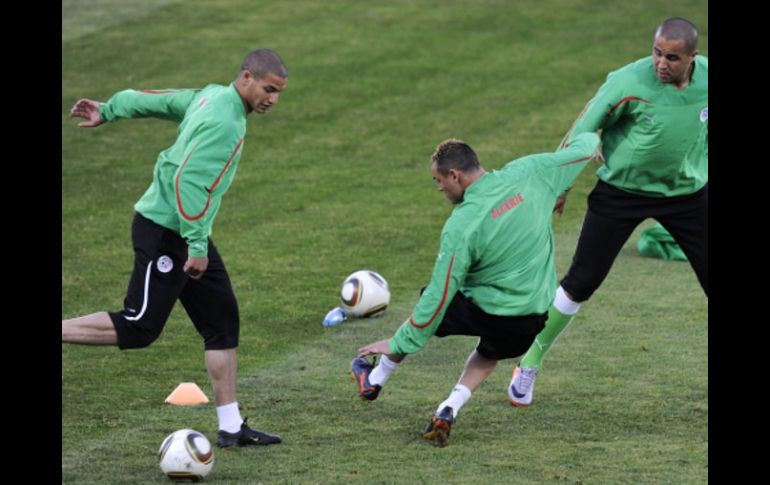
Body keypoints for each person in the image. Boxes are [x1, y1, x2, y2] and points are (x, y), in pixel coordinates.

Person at [62, 49, 288, 448]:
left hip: (183, 230)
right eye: (268, 89)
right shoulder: (226, 123)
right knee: (139, 326)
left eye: (279, 93)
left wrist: (111, 108)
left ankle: (232, 427)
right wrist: (196, 245)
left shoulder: (212, 96)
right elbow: (188, 182)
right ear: (248, 77)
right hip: (167, 231)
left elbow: (160, 98)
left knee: (222, 320)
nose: (273, 99)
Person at [351, 133, 601, 446]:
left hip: (484, 311)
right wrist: (586, 153)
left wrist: (399, 339)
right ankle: (448, 407)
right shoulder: (531, 172)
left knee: (431, 302)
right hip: (533, 317)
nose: (439, 187)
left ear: (454, 175)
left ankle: (375, 378)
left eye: (438, 180)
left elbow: (440, 294)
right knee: (489, 351)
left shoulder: (462, 224)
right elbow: (585, 145)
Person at [509, 17, 708, 407]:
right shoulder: (627, 82)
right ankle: (529, 361)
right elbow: (584, 127)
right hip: (622, 193)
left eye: (671, 57)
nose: (661, 64)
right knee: (582, 280)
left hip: (687, 195)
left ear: (691, 58)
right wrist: (560, 184)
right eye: (656, 53)